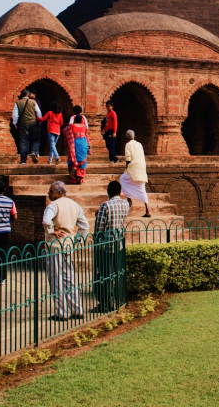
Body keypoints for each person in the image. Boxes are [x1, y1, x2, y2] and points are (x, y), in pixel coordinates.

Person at [42, 181, 89, 321]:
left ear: (59, 193)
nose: (49, 193)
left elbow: (46, 221)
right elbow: (85, 226)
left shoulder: (53, 205)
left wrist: (52, 230)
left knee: (56, 278)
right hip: (68, 245)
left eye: (51, 191)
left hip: (55, 246)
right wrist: (78, 240)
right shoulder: (74, 205)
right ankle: (77, 309)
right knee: (69, 278)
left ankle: (61, 312)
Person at [93, 180, 129, 313]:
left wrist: (97, 240)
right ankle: (117, 300)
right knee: (116, 273)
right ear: (119, 191)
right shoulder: (126, 204)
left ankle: (106, 303)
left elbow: (99, 229)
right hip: (118, 242)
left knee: (104, 275)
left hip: (106, 245)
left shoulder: (106, 205)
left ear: (108, 192)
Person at [119, 130, 150, 217]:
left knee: (123, 179)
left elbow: (128, 159)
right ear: (134, 136)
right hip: (142, 167)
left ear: (126, 138)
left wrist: (127, 167)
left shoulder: (128, 145)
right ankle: (147, 210)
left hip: (133, 168)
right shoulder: (139, 144)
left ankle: (129, 199)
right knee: (142, 188)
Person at [13, 90, 43, 165]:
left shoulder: (18, 103)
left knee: (23, 141)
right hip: (33, 123)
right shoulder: (33, 102)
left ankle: (23, 161)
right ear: (28, 95)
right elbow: (38, 112)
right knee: (35, 139)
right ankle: (33, 151)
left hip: (23, 124)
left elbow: (15, 115)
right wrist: (40, 121)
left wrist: (15, 123)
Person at [62, 106, 90, 184]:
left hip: (75, 144)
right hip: (83, 143)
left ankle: (74, 177)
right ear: (81, 120)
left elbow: (65, 131)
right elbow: (86, 132)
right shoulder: (84, 126)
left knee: (73, 160)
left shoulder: (71, 126)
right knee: (82, 160)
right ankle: (80, 177)